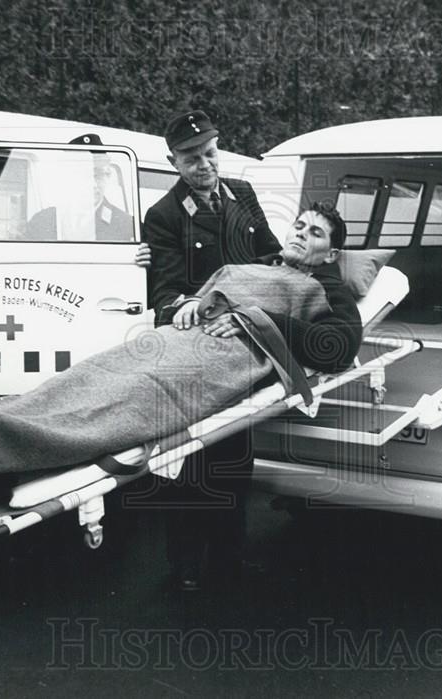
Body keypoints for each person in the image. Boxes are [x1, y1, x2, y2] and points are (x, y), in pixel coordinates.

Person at [0, 203, 360, 483]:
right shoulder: (254, 265)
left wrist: (256, 319)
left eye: (316, 234)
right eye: (300, 226)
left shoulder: (325, 288)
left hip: (214, 359)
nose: (302, 234)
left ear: (330, 254)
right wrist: (191, 301)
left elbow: (336, 348)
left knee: (118, 402)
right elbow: (201, 295)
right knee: (88, 375)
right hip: (174, 338)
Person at [141, 110, 282, 591]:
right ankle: (183, 566)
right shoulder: (163, 216)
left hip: (245, 344)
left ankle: (230, 559)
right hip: (200, 349)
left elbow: (270, 256)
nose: (204, 165)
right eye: (191, 158)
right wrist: (188, 305)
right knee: (194, 460)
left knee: (237, 456)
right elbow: (164, 295)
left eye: (210, 153)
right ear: (173, 162)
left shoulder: (242, 194)